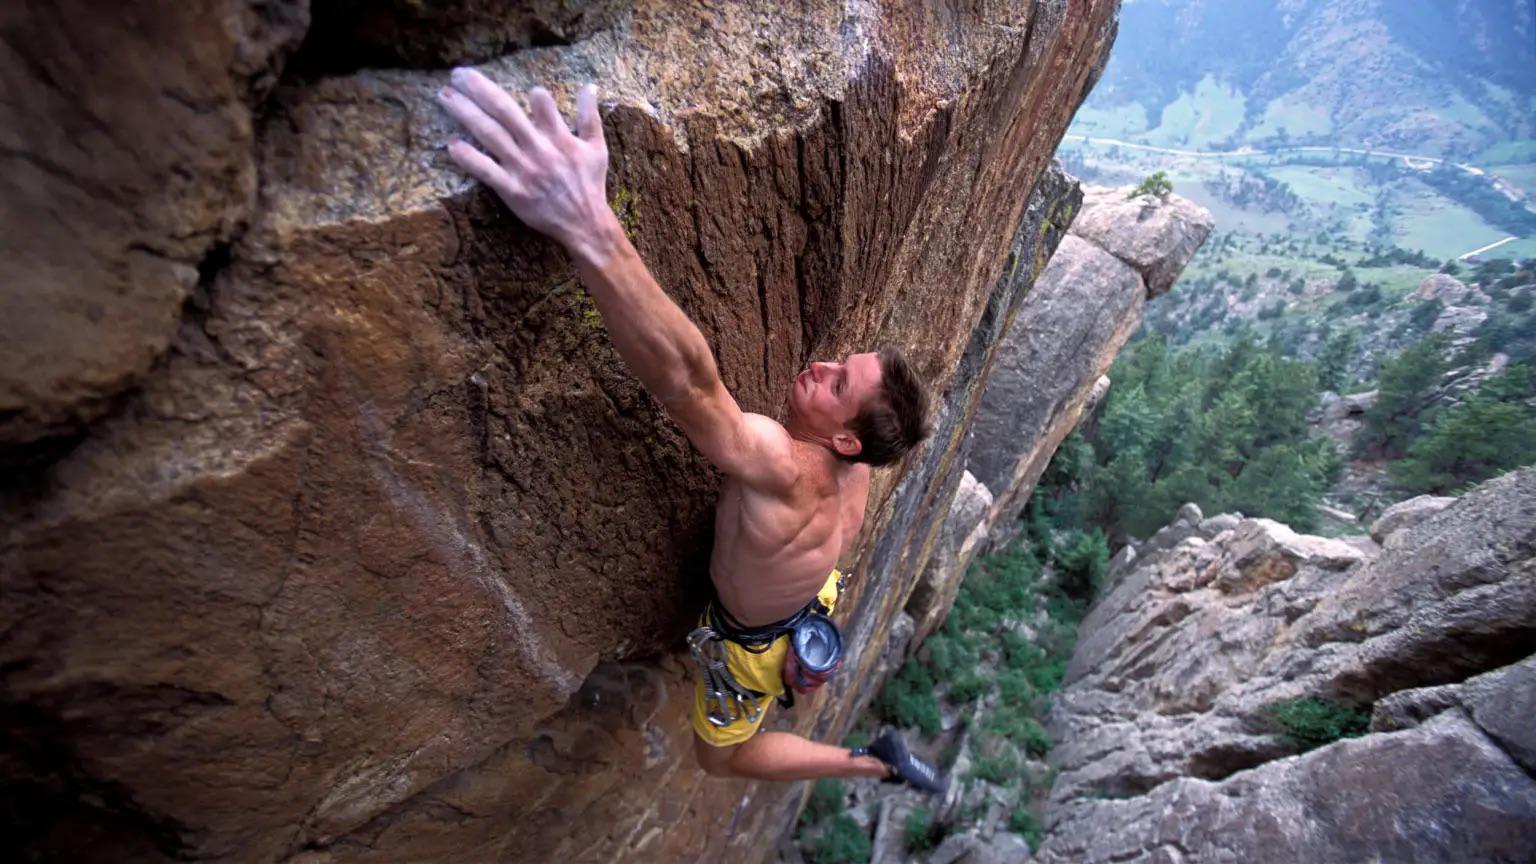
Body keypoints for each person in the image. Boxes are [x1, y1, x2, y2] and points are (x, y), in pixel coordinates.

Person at [437, 68, 945, 793]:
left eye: (839, 384)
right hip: (812, 596)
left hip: (751, 647)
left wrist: (588, 223)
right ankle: (848, 722)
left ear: (844, 441)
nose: (824, 364)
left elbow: (689, 381)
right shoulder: (863, 465)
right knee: (787, 660)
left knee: (721, 757)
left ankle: (871, 763)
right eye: (843, 362)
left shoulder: (781, 464)